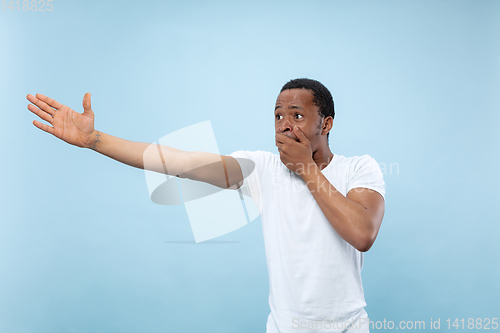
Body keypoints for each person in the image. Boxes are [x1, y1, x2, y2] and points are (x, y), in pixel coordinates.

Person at [26, 78, 385, 333]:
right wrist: (95, 140)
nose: (284, 126)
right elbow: (177, 161)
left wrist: (305, 167)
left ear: (327, 123)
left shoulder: (359, 168)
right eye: (277, 116)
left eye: (296, 115)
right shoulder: (261, 168)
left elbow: (361, 233)